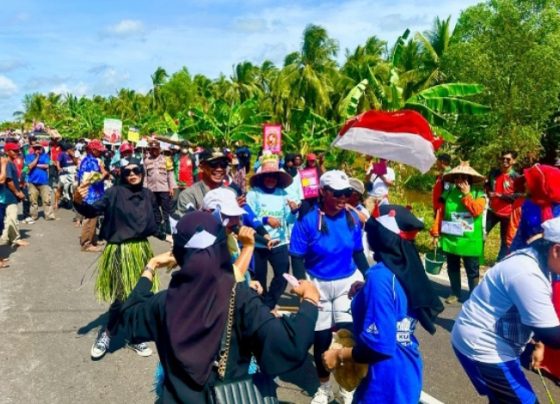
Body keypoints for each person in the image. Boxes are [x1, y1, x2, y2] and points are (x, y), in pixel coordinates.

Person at [117, 210, 320, 403]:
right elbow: (290, 346)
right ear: (223, 249)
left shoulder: (163, 303)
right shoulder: (242, 299)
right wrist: (310, 299)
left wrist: (150, 266)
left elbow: (128, 315)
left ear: (178, 254)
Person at [323, 206, 443, 404]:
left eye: (369, 231)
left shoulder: (379, 277)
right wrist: (366, 291)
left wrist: (339, 355)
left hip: (383, 381)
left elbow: (379, 345)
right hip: (407, 369)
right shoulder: (403, 268)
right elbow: (398, 300)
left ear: (380, 237)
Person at [451, 216, 560, 403]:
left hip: (495, 339)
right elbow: (553, 334)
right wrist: (544, 339)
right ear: (556, 250)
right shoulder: (527, 273)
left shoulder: (540, 260)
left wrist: (539, 343)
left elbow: (536, 314)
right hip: (484, 346)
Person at [290, 170, 370, 404]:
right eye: (337, 193)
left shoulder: (352, 218)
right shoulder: (307, 221)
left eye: (347, 193)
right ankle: (325, 386)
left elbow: (357, 252)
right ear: (323, 192)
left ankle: (346, 385)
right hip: (318, 284)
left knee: (347, 336)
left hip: (346, 283)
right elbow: (296, 256)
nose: (343, 197)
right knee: (322, 338)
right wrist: (303, 286)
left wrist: (370, 276)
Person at [74, 158, 166, 359]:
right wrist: (78, 200)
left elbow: (155, 224)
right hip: (119, 251)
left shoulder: (148, 195)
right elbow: (92, 210)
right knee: (122, 295)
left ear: (142, 172)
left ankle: (135, 337)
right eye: (127, 172)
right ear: (122, 175)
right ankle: (106, 333)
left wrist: (168, 238)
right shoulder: (113, 193)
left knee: (140, 294)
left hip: (141, 250)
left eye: (136, 170)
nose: (132, 174)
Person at [247, 154, 298, 310]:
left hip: (279, 242)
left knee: (282, 276)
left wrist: (293, 212)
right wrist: (266, 220)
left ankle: (268, 305)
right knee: (259, 279)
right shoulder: (253, 194)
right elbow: (248, 218)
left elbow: (289, 221)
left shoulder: (282, 194)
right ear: (262, 177)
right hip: (258, 243)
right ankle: (261, 307)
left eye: (274, 176)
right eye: (267, 176)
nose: (271, 179)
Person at [431, 162, 486, 304]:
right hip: (451, 238)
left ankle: (474, 296)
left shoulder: (479, 194)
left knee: (472, 269)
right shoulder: (448, 193)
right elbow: (440, 213)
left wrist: (466, 194)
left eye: (464, 177)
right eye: (457, 177)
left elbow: (476, 211)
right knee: (452, 266)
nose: (460, 180)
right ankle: (455, 292)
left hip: (469, 240)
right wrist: (436, 233)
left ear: (470, 179)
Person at [175, 149, 236, 215]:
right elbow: (187, 223)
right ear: (201, 167)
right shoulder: (188, 195)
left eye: (223, 164)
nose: (219, 169)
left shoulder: (232, 194)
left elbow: (239, 222)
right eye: (213, 164)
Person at [486, 150, 521, 261]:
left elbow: (519, 196)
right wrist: (487, 192)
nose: (504, 161)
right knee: (482, 233)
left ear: (514, 161)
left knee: (505, 240)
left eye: (508, 159)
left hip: (508, 213)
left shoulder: (516, 178)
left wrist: (499, 195)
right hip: (492, 210)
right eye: (502, 159)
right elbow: (487, 186)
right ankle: (476, 257)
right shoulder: (494, 173)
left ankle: (500, 262)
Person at [76, 139, 108, 252]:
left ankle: (92, 239)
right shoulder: (90, 162)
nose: (101, 152)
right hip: (90, 195)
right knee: (90, 219)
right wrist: (104, 173)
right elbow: (92, 179)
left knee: (93, 218)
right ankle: (86, 244)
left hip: (93, 194)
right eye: (99, 150)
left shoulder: (91, 160)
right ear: (93, 150)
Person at [144, 140, 175, 235]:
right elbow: (145, 176)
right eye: (152, 149)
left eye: (155, 149)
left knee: (166, 209)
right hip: (152, 189)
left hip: (164, 188)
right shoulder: (146, 160)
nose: (153, 151)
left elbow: (170, 175)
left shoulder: (166, 159)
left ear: (159, 150)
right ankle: (158, 227)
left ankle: (168, 227)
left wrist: (171, 188)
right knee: (155, 209)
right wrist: (145, 189)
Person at [0, 142, 27, 247]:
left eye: (17, 150)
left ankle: (6, 237)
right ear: (7, 152)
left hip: (8, 194)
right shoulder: (8, 163)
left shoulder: (11, 162)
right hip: (8, 194)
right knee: (12, 217)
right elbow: (8, 180)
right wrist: (17, 192)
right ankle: (15, 239)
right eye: (14, 150)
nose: (17, 152)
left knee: (8, 218)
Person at [25, 142, 56, 221]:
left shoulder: (45, 156)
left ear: (41, 148)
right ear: (33, 149)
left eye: (39, 148)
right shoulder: (29, 156)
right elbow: (30, 166)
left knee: (47, 200)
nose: (37, 150)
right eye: (35, 148)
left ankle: (49, 216)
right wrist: (37, 158)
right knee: (33, 201)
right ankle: (33, 216)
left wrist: (35, 165)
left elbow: (46, 166)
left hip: (44, 182)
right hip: (32, 182)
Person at [55, 141, 78, 209]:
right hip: (64, 173)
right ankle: (56, 203)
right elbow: (58, 162)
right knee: (59, 188)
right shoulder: (62, 154)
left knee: (74, 187)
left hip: (72, 173)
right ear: (68, 149)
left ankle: (75, 203)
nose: (73, 150)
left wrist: (73, 156)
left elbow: (76, 163)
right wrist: (59, 168)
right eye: (71, 149)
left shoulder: (73, 155)